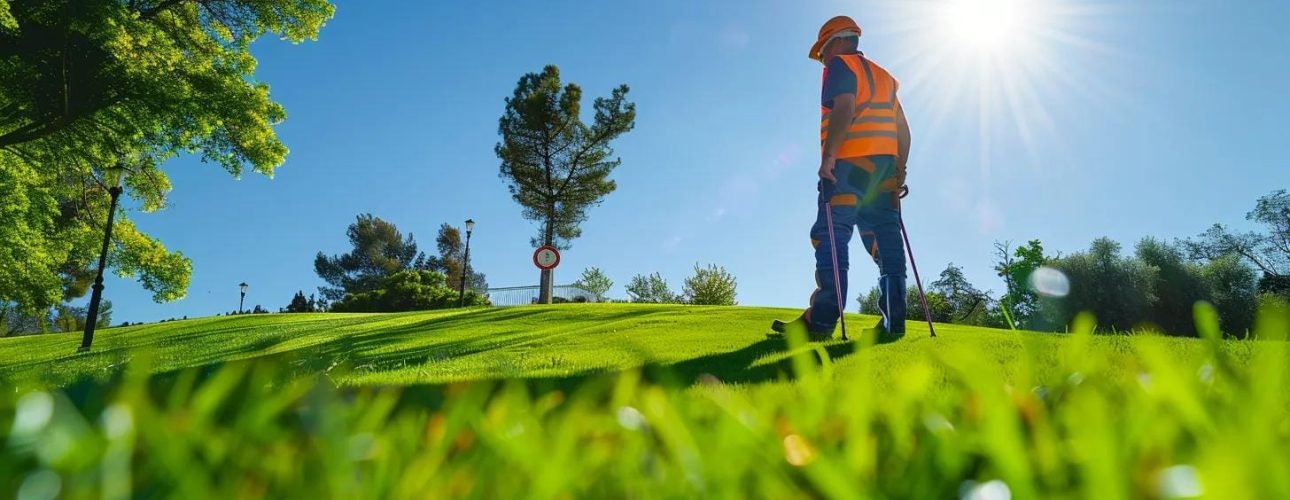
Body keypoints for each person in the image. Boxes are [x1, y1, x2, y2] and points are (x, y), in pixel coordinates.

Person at [771, 15, 912, 342]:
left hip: (849, 167)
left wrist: (829, 157)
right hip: (883, 173)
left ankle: (819, 324)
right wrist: (900, 168)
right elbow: (903, 129)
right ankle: (894, 323)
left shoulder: (839, 66)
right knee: (886, 242)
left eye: (822, 51)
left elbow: (845, 107)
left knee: (831, 238)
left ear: (835, 41)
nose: (822, 58)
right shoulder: (885, 77)